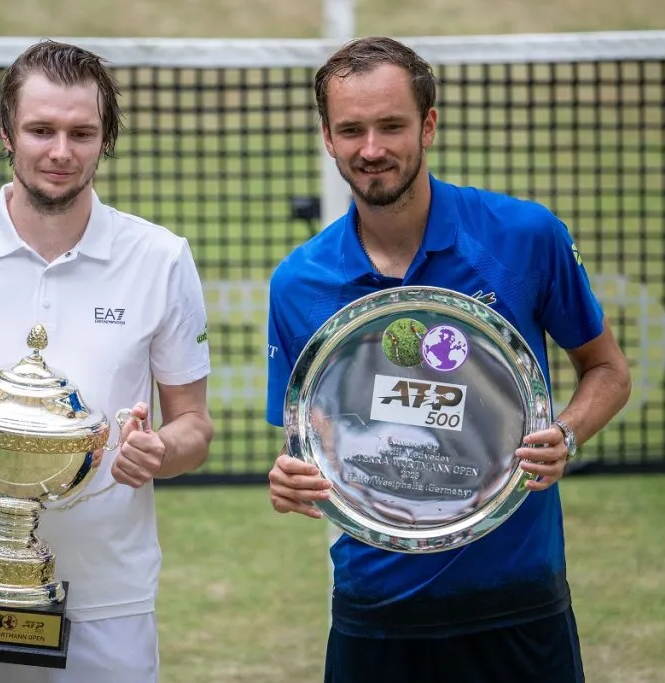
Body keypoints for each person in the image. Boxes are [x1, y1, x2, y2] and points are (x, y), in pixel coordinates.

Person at [265, 37, 631, 683]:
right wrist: (291, 475)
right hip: (376, 602)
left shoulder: (525, 235)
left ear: (428, 125)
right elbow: (316, 438)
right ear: (327, 137)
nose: (371, 148)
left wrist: (567, 433)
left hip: (517, 591)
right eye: (351, 129)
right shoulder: (299, 282)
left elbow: (607, 369)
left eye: (391, 125)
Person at [0, 40, 214, 683]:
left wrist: (161, 451)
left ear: (105, 139)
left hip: (108, 602)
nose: (61, 151)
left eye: (82, 132)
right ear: (7, 133)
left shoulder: (161, 259)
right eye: (41, 130)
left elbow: (194, 424)